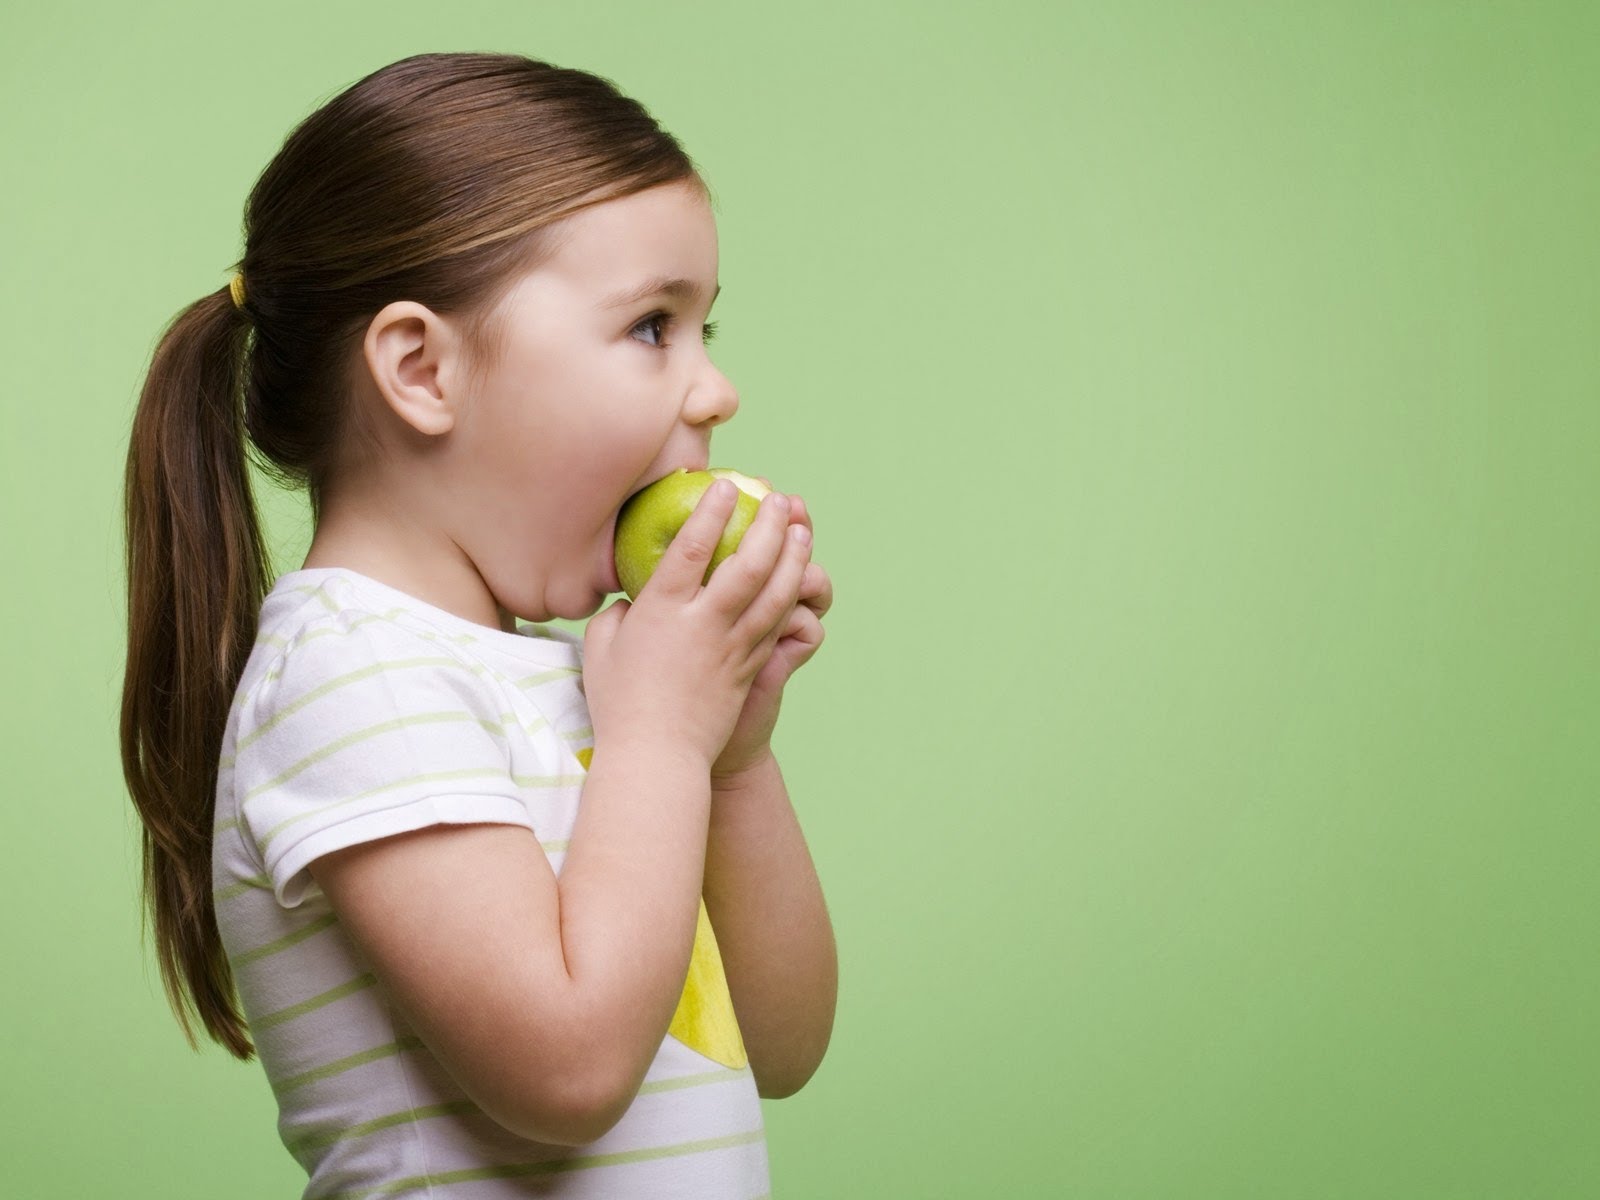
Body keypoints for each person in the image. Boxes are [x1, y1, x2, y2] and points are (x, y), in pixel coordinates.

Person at [118, 51, 837, 1197]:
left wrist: (732, 755)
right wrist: (659, 741)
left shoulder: (572, 681)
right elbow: (566, 1072)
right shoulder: (349, 679)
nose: (715, 391)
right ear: (421, 369)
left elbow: (785, 1043)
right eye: (654, 326)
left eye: (704, 327)